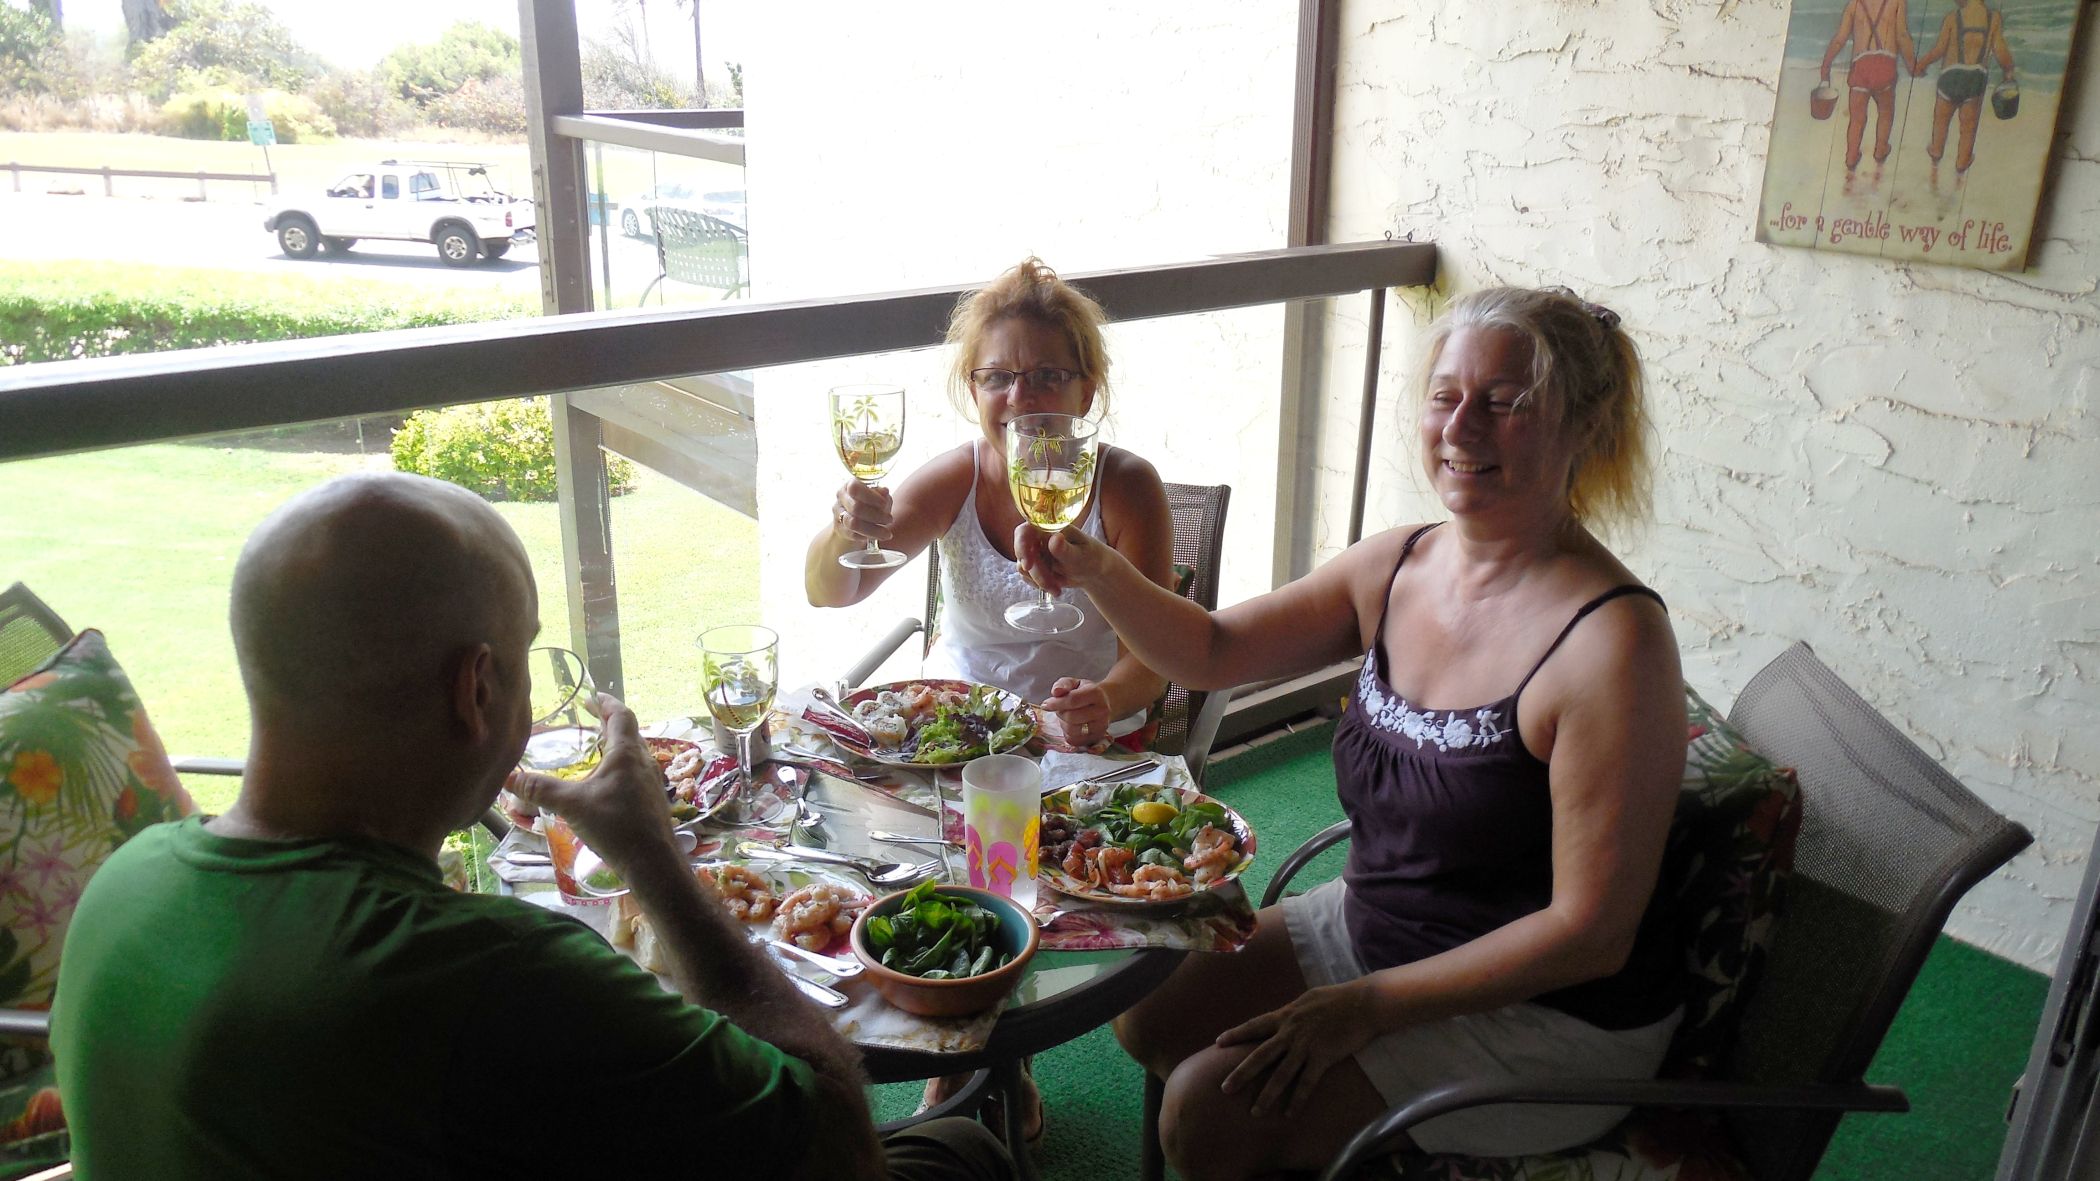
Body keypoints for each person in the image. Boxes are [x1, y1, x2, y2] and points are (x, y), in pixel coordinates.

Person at [50, 471, 1012, 1181]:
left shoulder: (123, 888)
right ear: (475, 689)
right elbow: (838, 1148)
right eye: (521, 660)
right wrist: (657, 862)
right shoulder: (488, 976)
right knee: (961, 1151)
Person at [1017, 287, 1688, 1179]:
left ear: (1585, 426)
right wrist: (1096, 567)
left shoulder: (1612, 644)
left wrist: (1367, 1007)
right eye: (1445, 396)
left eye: (1504, 403)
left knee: (1209, 1112)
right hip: (1381, 924)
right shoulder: (1399, 564)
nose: (1462, 427)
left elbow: (1589, 933)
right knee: (1148, 1005)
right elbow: (1212, 650)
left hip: (1546, 1012)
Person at [805, 255, 1177, 753]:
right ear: (974, 390)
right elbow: (829, 593)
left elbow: (1155, 657)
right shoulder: (955, 479)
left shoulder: (1127, 486)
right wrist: (844, 530)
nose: (1020, 397)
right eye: (998, 377)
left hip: (1079, 740)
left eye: (1047, 375)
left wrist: (1103, 700)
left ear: (1085, 393)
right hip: (957, 733)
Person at [1914, 0, 2017, 175]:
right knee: (1968, 126)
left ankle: (1936, 151)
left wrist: (1921, 64)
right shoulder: (1993, 18)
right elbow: (2000, 49)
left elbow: (1939, 49)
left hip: (1950, 77)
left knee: (1941, 120)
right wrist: (2008, 70)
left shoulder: (1952, 18)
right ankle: (1962, 161)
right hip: (1974, 78)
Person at [1820, 0, 1918, 171]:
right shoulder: (1897, 2)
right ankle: (1881, 149)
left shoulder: (1854, 5)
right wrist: (1911, 65)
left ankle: (1851, 155)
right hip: (1885, 65)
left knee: (1857, 118)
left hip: (1861, 65)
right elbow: (1902, 36)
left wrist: (1826, 66)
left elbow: (1839, 40)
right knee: (1886, 111)